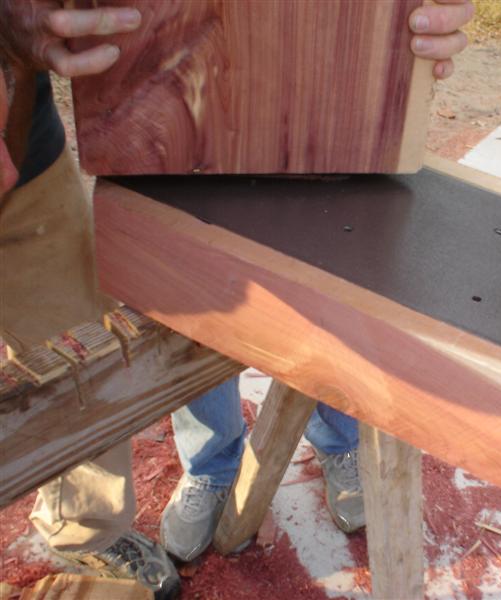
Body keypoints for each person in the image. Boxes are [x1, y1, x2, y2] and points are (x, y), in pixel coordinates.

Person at [0, 1, 473, 596]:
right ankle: (211, 465)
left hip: (319, 82)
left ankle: (341, 442)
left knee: (335, 243)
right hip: (170, 105)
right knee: (192, 288)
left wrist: (412, 23)